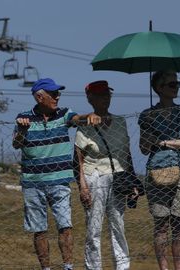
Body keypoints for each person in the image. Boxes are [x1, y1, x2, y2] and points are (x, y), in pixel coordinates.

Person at [12, 78, 101, 270]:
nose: (57, 97)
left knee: (65, 226)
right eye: (53, 94)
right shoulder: (24, 117)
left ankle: (68, 266)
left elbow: (77, 119)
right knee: (39, 230)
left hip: (60, 181)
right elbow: (17, 144)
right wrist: (21, 130)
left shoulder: (63, 114)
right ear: (39, 97)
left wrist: (89, 117)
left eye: (58, 93)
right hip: (32, 183)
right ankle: (46, 268)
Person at [75, 81, 142, 270]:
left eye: (107, 94)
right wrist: (83, 186)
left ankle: (122, 266)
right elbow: (78, 159)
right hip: (94, 175)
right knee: (94, 228)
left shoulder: (120, 121)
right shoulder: (84, 124)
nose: (105, 98)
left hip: (119, 177)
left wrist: (133, 181)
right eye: (100, 95)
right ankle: (93, 267)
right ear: (90, 98)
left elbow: (126, 153)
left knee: (118, 225)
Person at [138, 70, 180, 270]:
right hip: (156, 171)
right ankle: (164, 268)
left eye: (177, 84)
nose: (176, 87)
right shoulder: (147, 115)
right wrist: (151, 136)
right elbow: (144, 148)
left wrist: (163, 142)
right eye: (172, 84)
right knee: (161, 225)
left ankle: (179, 268)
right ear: (159, 88)